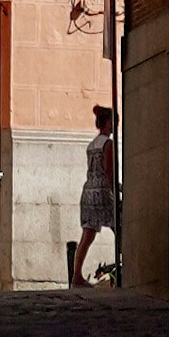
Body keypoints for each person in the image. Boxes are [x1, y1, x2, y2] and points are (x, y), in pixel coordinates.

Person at [71, 110, 119, 286]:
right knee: (120, 228)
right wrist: (116, 189)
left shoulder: (91, 145)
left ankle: (76, 276)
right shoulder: (108, 144)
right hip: (102, 192)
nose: (115, 126)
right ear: (108, 122)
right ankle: (125, 272)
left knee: (87, 235)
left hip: (88, 191)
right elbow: (108, 170)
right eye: (114, 122)